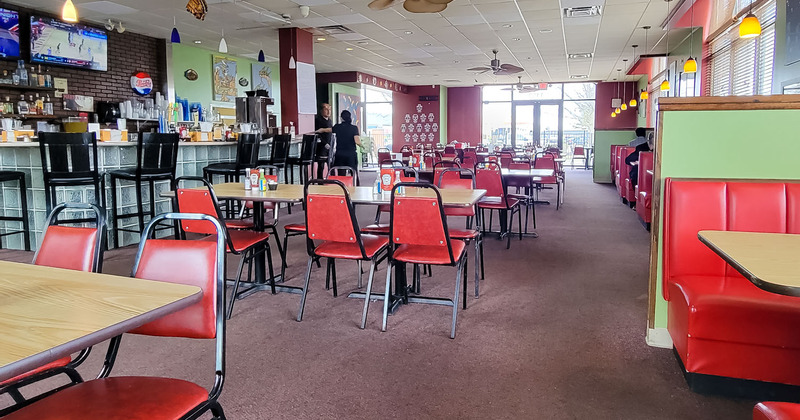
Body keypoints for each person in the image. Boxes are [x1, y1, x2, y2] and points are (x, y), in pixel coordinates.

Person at [331, 110, 361, 174]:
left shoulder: (337, 127)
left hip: (340, 154)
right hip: (351, 154)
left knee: (341, 174)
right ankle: (355, 183)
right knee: (353, 173)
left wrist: (317, 131)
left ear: (341, 118)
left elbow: (326, 130)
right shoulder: (354, 128)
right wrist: (363, 146)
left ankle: (342, 184)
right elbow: (357, 141)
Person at [314, 103, 333, 178]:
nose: (328, 111)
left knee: (331, 163)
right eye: (326, 109)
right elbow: (317, 134)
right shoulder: (318, 120)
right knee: (321, 165)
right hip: (321, 145)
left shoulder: (330, 121)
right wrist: (324, 143)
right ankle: (320, 181)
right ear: (321, 111)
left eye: (330, 109)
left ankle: (331, 179)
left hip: (330, 144)